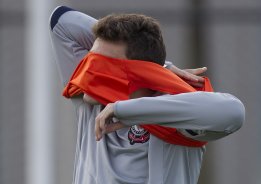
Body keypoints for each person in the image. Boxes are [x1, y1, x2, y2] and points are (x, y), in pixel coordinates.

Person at [49, 6, 245, 184]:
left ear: (139, 72)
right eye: (89, 61)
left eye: (102, 66)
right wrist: (163, 67)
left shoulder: (175, 112)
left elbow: (234, 112)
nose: (88, 72)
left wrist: (125, 110)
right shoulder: (88, 100)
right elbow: (61, 21)